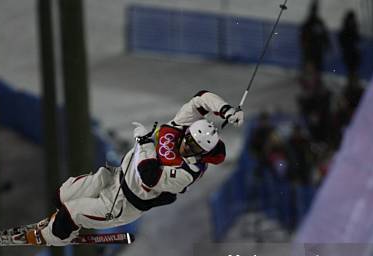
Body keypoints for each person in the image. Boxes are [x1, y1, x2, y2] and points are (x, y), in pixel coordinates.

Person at [28, 90, 244, 246]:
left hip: (122, 204)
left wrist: (144, 142)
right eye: (189, 141)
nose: (187, 148)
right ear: (188, 132)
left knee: (71, 214)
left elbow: (149, 176)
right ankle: (60, 219)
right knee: (63, 195)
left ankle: (52, 236)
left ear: (203, 155)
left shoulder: (188, 173)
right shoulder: (181, 125)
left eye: (195, 149)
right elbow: (202, 98)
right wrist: (226, 110)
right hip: (114, 177)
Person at [299, 0, 330, 72]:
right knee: (309, 68)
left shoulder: (318, 23)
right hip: (310, 50)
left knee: (317, 68)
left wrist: (326, 44)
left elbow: (324, 35)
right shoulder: (308, 23)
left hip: (317, 50)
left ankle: (316, 80)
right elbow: (303, 36)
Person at [339, 11, 361, 79]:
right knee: (351, 69)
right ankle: (351, 81)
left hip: (354, 53)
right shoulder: (345, 30)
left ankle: (353, 80)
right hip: (348, 53)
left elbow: (357, 38)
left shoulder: (354, 27)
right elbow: (342, 40)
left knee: (354, 69)